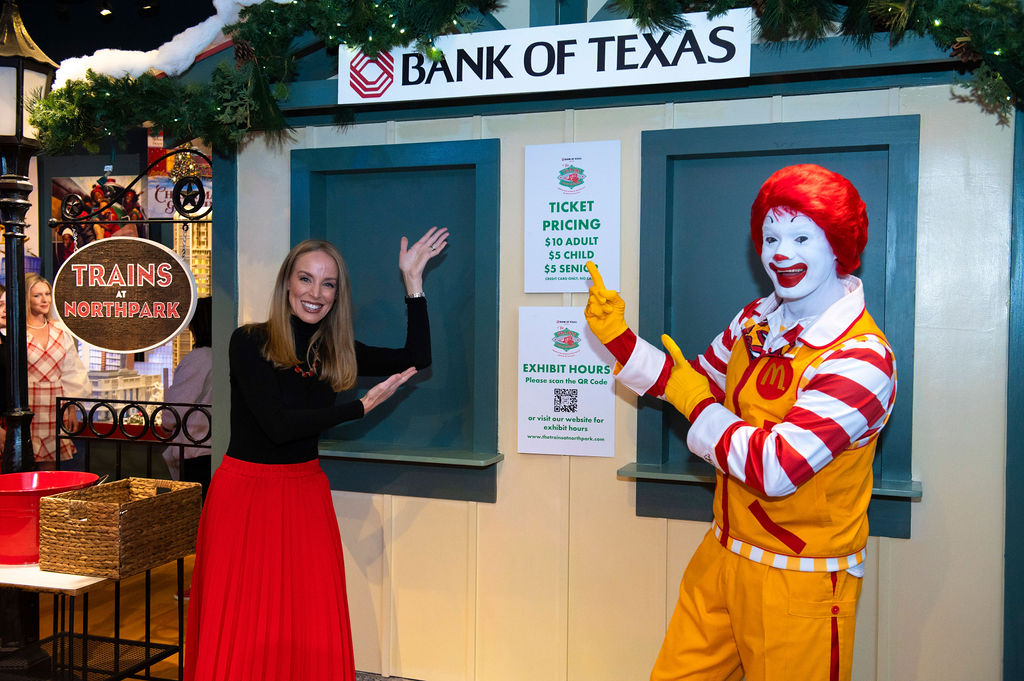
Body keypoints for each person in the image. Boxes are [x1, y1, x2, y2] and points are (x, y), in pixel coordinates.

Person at [585, 164, 897, 681]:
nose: (781, 252)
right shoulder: (757, 319)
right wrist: (617, 337)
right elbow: (693, 383)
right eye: (770, 236)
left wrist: (694, 400)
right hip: (722, 553)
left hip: (800, 583)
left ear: (839, 244)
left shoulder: (861, 359)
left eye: (801, 236)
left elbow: (776, 467)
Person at [184, 227, 448, 681]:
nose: (315, 293)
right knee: (245, 620)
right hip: (244, 498)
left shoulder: (334, 349)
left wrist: (414, 284)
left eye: (328, 284)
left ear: (337, 294)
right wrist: (360, 407)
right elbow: (278, 425)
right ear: (287, 283)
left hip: (304, 493)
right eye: (306, 279)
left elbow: (416, 356)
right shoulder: (249, 342)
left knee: (307, 613)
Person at [23, 273, 90, 470]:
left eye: (47, 294)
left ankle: (45, 502)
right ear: (26, 297)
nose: (44, 300)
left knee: (50, 468)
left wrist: (72, 406)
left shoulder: (60, 330)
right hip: (28, 403)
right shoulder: (15, 330)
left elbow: (72, 370)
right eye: (37, 295)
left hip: (55, 401)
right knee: (25, 464)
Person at [160, 297, 213, 492]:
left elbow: (173, 413)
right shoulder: (225, 354)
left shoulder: (198, 358)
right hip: (215, 447)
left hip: (197, 450)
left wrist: (166, 421)